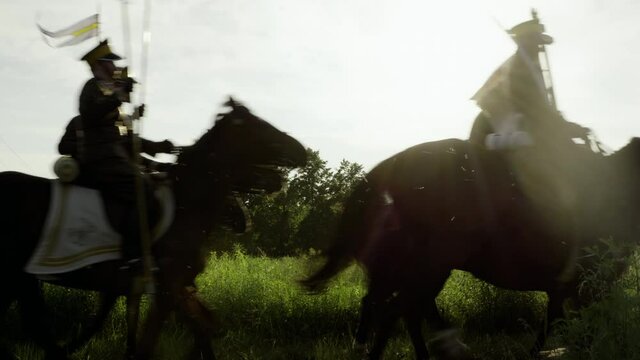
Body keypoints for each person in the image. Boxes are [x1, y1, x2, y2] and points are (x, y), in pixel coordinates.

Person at [57, 39, 173, 270]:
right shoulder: (93, 87)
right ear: (99, 65)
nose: (115, 67)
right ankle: (131, 257)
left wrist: (158, 147)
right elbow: (89, 114)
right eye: (111, 62)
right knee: (143, 191)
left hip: (112, 159)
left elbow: (127, 141)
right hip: (100, 160)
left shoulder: (109, 93)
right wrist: (117, 95)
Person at [469, 15, 587, 150]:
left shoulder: (530, 66)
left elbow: (539, 109)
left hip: (517, 123)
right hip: (500, 128)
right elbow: (530, 107)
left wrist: (561, 123)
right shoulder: (519, 67)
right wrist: (563, 125)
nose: (539, 48)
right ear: (524, 41)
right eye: (536, 42)